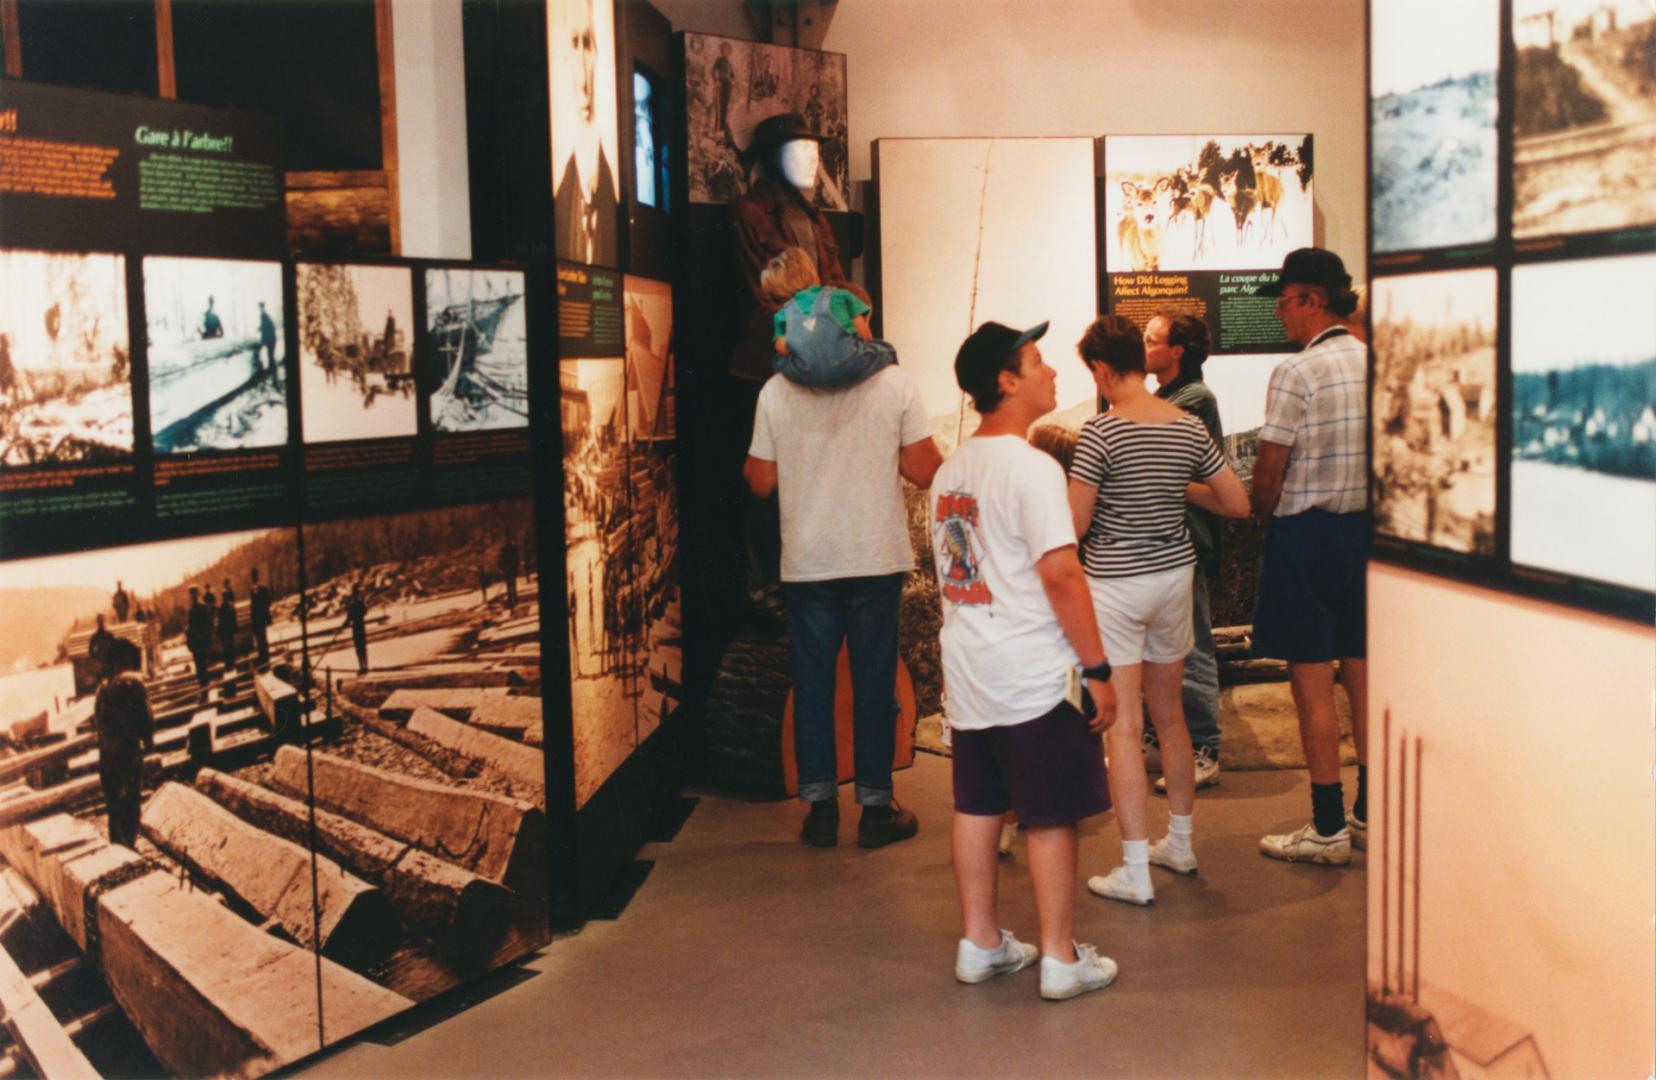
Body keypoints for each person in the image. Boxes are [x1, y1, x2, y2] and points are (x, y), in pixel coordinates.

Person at [934, 320, 1119, 1001]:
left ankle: (980, 942)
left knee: (979, 803)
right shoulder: (1035, 469)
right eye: (1037, 362)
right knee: (1049, 813)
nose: (1052, 372)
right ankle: (1061, 958)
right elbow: (1062, 575)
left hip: (972, 665)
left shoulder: (953, 469)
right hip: (1032, 669)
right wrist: (1098, 671)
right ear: (1006, 381)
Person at [743, 301, 943, 850]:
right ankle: (876, 809)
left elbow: (759, 481)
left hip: (809, 561)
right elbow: (924, 470)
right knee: (873, 683)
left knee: (813, 685)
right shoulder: (895, 382)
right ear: (853, 326)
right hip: (874, 556)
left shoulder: (775, 392)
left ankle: (821, 811)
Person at [1068, 315, 1249, 907]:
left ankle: (1134, 869)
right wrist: (1177, 489)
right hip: (1175, 577)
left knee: (1122, 725)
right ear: (1140, 361)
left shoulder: (1100, 433)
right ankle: (1181, 843)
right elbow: (1236, 502)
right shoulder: (1187, 425)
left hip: (1116, 583)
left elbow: (1075, 525)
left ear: (1099, 369)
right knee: (1170, 715)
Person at [1251, 248, 1370, 866]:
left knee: (1311, 683)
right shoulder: (1377, 363)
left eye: (1287, 298)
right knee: (1363, 670)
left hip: (1307, 537)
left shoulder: (1297, 372)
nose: (1280, 310)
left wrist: (1256, 510)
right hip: (1365, 536)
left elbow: (1270, 468)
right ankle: (1370, 813)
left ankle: (1326, 825)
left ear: (1313, 301)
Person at [730, 113, 848, 625]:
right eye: (800, 151)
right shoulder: (748, 213)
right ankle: (765, 588)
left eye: (815, 151)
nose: (812, 160)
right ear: (773, 159)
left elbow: (843, 283)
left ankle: (807, 579)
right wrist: (816, 324)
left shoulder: (816, 219)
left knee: (815, 478)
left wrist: (843, 318)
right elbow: (760, 295)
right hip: (770, 367)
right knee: (766, 482)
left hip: (819, 365)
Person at [1141, 313, 1226, 792]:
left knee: (1190, 643)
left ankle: (1203, 748)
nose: (1144, 345)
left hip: (1187, 536)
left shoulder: (1193, 399)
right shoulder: (1167, 398)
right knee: (1163, 643)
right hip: (1166, 536)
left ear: (1177, 351)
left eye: (1152, 339)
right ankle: (1161, 737)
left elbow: (1171, 466)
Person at [761, 247, 895, 389]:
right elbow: (865, 335)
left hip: (807, 372)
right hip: (847, 366)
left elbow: (782, 348)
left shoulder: (783, 314)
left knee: (778, 360)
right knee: (886, 350)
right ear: (815, 277)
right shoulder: (842, 296)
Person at [553, 0, 618, 266]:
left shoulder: (613, 196)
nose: (581, 61)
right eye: (574, 43)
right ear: (565, 57)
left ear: (597, 54)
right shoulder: (559, 201)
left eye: (588, 43)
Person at [95, 639, 153, 848]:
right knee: (131, 802)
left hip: (108, 757)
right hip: (128, 754)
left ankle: (118, 847)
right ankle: (128, 845)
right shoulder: (134, 684)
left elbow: (99, 724)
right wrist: (149, 742)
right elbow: (146, 719)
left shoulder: (102, 689)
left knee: (114, 806)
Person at [187, 584, 214, 688]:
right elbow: (191, 626)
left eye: (193, 594)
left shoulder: (202, 607)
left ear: (196, 594)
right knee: (199, 667)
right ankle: (203, 686)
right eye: (191, 595)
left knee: (202, 666)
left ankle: (205, 687)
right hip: (196, 644)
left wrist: (203, 636)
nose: (192, 597)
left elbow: (209, 624)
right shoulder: (192, 609)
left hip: (201, 642)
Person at [249, 568, 272, 666]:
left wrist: (263, 612)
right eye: (252, 577)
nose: (253, 578)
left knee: (262, 636)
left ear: (257, 576)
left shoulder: (263, 588)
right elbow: (252, 605)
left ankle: (265, 656)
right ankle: (261, 656)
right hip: (256, 618)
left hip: (261, 617)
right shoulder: (252, 589)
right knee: (258, 637)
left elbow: (267, 601)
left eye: (254, 576)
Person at [346, 584, 369, 676]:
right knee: (362, 647)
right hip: (360, 626)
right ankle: (365, 666)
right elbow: (365, 612)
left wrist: (345, 624)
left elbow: (349, 617)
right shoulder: (359, 603)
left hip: (356, 627)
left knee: (359, 648)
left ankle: (362, 667)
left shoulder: (352, 604)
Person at [218, 579, 239, 673]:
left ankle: (229, 665)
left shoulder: (222, 608)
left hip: (224, 631)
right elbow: (233, 618)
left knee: (227, 648)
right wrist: (235, 628)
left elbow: (220, 620)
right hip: (228, 630)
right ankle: (231, 664)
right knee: (230, 647)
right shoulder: (229, 607)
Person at [500, 537, 521, 610]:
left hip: (510, 570)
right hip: (509, 570)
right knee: (511, 586)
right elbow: (501, 561)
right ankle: (513, 601)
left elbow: (516, 560)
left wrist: (503, 569)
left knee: (511, 586)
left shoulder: (511, 550)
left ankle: (513, 600)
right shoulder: (510, 550)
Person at [257, 302, 278, 374]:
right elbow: (267, 326)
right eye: (260, 308)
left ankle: (273, 371)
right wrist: (260, 328)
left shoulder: (263, 315)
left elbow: (266, 328)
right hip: (272, 338)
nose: (260, 309)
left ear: (263, 308)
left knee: (270, 355)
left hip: (271, 339)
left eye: (261, 307)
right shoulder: (265, 316)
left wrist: (263, 341)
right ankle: (272, 370)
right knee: (270, 355)